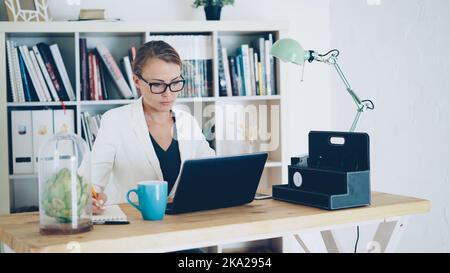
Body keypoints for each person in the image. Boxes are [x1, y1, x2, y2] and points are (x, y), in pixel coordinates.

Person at [88, 40, 215, 214]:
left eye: (175, 82)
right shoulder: (115, 121)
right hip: (135, 227)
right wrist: (90, 197)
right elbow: (90, 181)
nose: (168, 93)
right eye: (158, 84)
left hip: (184, 223)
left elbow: (213, 170)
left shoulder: (187, 121)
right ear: (137, 81)